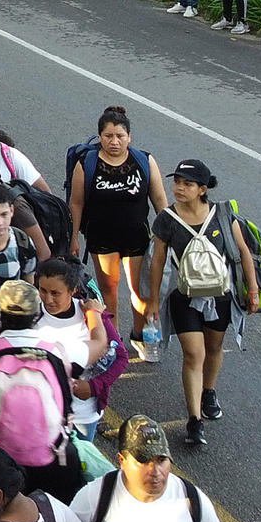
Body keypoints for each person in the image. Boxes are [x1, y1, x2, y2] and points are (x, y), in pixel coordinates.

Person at [0, 281, 104, 502]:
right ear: (37, 313)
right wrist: (94, 312)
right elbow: (100, 343)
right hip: (54, 459)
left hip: (0, 461)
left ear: (3, 313)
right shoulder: (59, 350)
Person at [143, 159, 259, 448]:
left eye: (187, 184)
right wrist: (154, 300)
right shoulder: (167, 219)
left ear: (203, 189)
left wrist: (253, 290)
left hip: (220, 296)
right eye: (177, 182)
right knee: (194, 355)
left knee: (214, 348)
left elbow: (243, 252)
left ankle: (209, 391)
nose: (179, 188)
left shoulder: (222, 215)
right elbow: (158, 260)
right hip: (184, 298)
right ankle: (194, 420)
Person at [66, 106, 167, 345]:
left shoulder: (144, 161)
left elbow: (160, 201)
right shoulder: (86, 163)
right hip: (101, 237)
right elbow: (76, 203)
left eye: (120, 136)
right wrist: (72, 239)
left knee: (139, 291)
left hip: (137, 237)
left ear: (129, 137)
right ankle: (114, 340)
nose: (114, 141)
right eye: (108, 136)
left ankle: (140, 335)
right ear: (100, 137)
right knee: (109, 290)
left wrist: (169, 235)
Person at [69, 416, 228, 522]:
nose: (155, 471)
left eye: (161, 460)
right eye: (144, 461)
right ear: (122, 461)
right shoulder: (94, 497)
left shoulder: (193, 499)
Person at [34, 259, 126, 443]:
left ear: (73, 289)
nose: (48, 299)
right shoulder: (32, 314)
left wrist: (93, 387)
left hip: (84, 415)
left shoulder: (92, 314)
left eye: (55, 293)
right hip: (44, 414)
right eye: (43, 291)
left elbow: (121, 357)